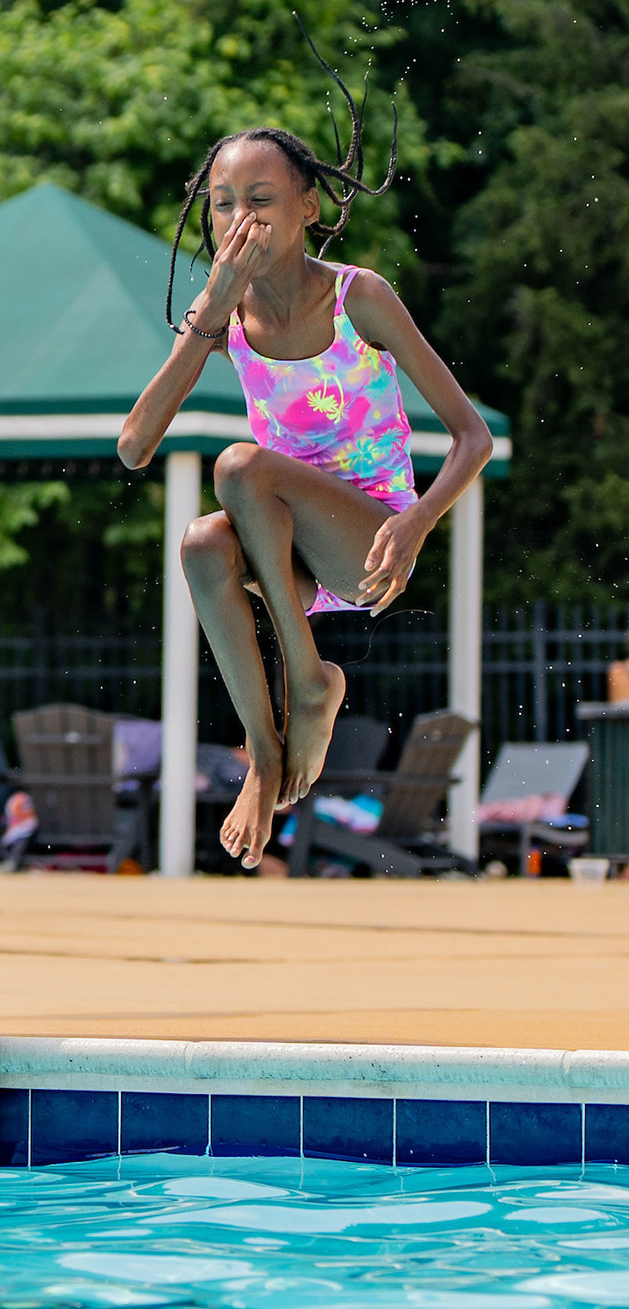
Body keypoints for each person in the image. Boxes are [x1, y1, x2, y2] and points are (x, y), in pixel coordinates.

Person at [119, 49, 493, 872]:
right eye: (223, 204)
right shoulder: (226, 316)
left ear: (308, 207)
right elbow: (135, 446)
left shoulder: (359, 297)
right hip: (282, 548)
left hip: (367, 542)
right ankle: (265, 749)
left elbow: (474, 436)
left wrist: (418, 522)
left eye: (260, 200)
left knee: (239, 466)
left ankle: (309, 686)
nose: (240, 219)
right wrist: (214, 307)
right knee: (199, 542)